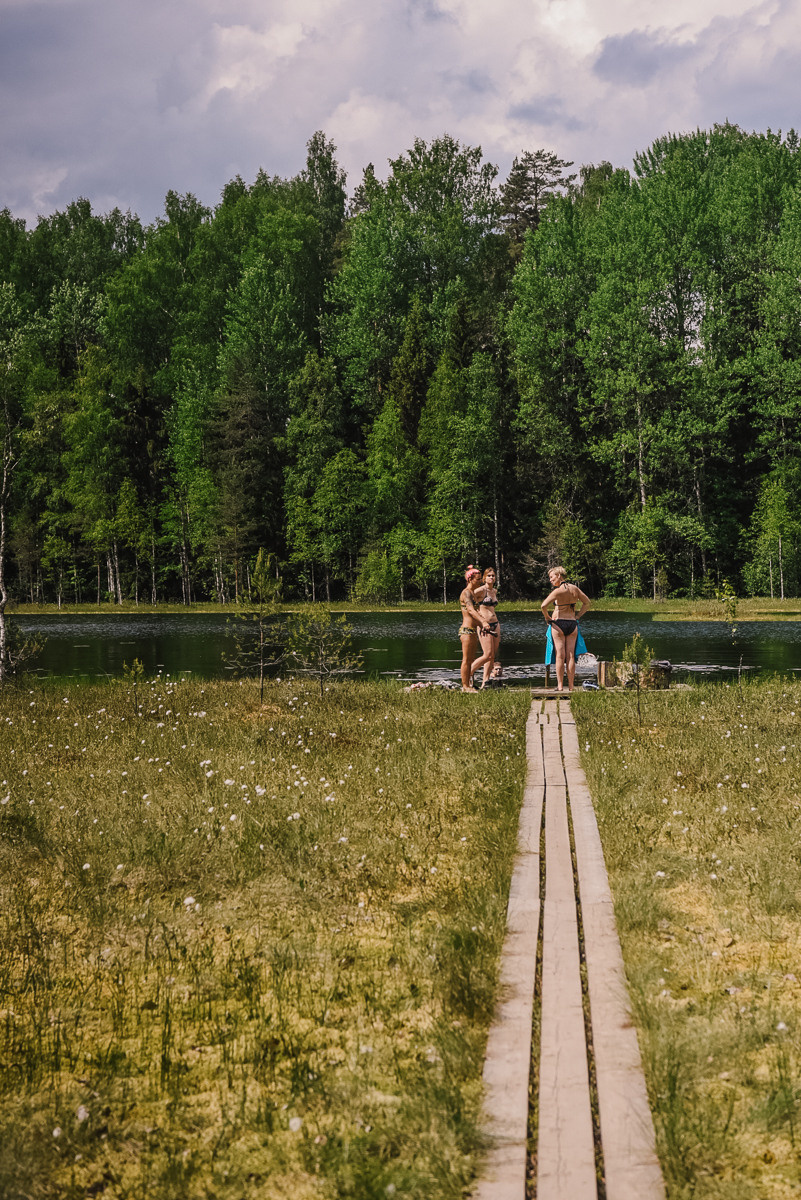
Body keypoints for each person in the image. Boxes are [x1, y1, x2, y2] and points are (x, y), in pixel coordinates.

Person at [541, 566, 592, 692]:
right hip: (572, 624)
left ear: (559, 575)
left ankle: (560, 686)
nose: (550, 580)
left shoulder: (557, 591)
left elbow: (543, 605)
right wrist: (578, 616)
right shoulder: (575, 589)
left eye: (552, 577)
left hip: (558, 623)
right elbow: (587, 603)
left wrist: (547, 618)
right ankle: (571, 686)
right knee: (570, 656)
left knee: (560, 655)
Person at [458, 566, 489, 692]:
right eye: (478, 579)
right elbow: (470, 610)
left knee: (471, 659)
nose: (480, 581)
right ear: (470, 579)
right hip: (466, 630)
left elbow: (476, 612)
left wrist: (482, 625)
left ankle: (469, 684)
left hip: (473, 631)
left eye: (481, 579)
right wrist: (483, 621)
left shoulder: (473, 594)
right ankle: (465, 686)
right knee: (466, 659)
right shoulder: (466, 593)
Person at [471, 566, 501, 689]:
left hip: (495, 624)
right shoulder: (480, 591)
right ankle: (468, 673)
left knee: (492, 656)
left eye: (493, 575)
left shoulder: (494, 591)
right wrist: (480, 621)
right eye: (489, 576)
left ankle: (485, 682)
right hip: (485, 625)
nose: (491, 577)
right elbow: (469, 604)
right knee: (487, 654)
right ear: (484, 578)